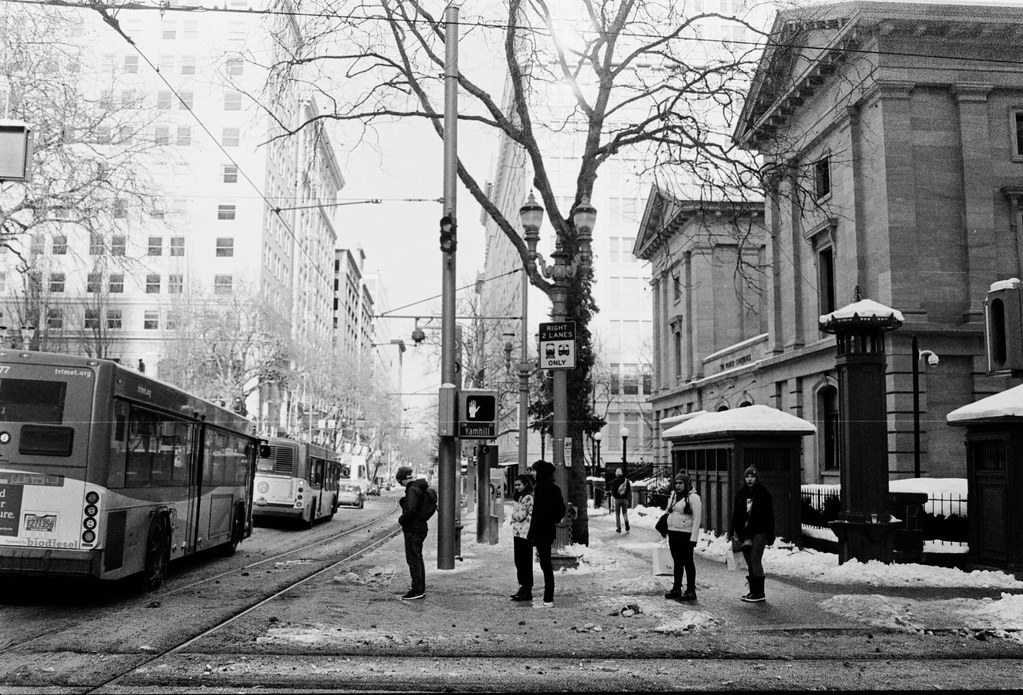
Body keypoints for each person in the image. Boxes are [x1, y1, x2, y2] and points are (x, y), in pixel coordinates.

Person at [728, 465, 775, 603]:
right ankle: (753, 591)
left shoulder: (763, 494)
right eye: (747, 476)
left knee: (755, 559)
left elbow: (769, 516)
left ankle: (760, 592)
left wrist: (770, 535)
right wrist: (733, 532)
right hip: (744, 534)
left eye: (752, 476)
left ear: (756, 478)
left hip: (759, 532)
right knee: (749, 561)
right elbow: (736, 515)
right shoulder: (741, 495)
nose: (749, 479)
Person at [526, 459, 566, 608]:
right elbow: (560, 510)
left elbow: (537, 514)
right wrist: (552, 519)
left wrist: (532, 533)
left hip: (541, 531)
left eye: (534, 471)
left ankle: (549, 597)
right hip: (547, 530)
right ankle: (548, 597)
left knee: (545, 564)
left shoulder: (541, 490)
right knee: (545, 564)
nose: (532, 473)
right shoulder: (553, 489)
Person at [664, 472, 702, 601]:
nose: (678, 486)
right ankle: (676, 588)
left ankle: (691, 589)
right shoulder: (674, 495)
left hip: (686, 534)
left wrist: (694, 538)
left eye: (681, 483)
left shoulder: (694, 498)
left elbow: (697, 519)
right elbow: (668, 511)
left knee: (688, 562)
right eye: (676, 483)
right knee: (677, 561)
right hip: (673, 532)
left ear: (686, 484)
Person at [396, 466, 430, 601]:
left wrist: (402, 520)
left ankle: (417, 590)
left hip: (413, 529)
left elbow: (410, 510)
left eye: (399, 481)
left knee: (413, 560)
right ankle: (419, 588)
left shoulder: (412, 490)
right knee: (417, 558)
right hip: (420, 527)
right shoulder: (418, 487)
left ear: (403, 480)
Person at [509, 474, 535, 601]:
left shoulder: (528, 498)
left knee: (524, 562)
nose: (517, 487)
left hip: (525, 533)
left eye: (519, 484)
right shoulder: (519, 497)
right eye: (515, 485)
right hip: (518, 533)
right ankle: (523, 587)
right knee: (519, 561)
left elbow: (520, 515)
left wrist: (514, 516)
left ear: (525, 484)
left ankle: (527, 588)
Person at [609, 468, 632, 533]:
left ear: (616, 474)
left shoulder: (615, 481)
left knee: (617, 514)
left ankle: (618, 528)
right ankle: (627, 524)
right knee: (625, 513)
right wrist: (626, 497)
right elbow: (628, 490)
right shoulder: (626, 481)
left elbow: (614, 491)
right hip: (625, 499)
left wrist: (616, 496)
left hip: (618, 500)